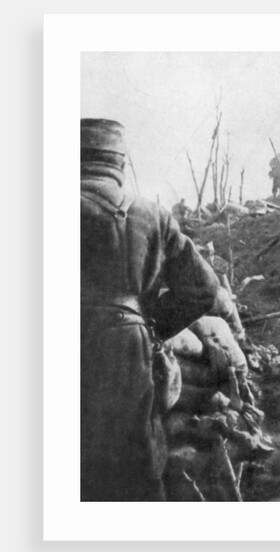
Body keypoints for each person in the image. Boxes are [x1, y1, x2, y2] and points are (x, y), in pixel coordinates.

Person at [81, 118, 222, 501]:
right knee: (137, 460)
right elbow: (204, 288)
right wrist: (150, 326)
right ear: (120, 165)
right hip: (131, 346)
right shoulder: (153, 215)